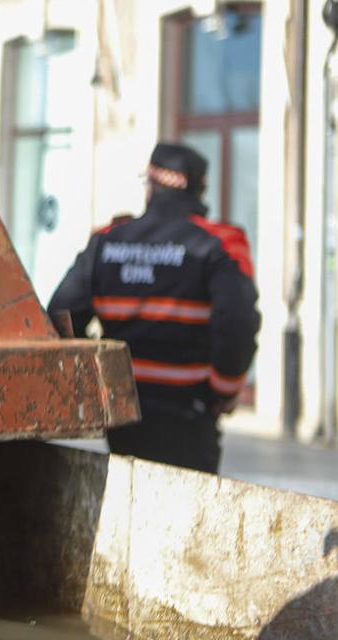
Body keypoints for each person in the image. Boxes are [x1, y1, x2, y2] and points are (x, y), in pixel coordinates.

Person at [49, 142, 260, 474]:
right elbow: (237, 322)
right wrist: (226, 388)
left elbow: (61, 313)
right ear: (200, 189)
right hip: (189, 413)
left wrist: (87, 385)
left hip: (122, 414)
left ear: (150, 185)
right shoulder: (221, 243)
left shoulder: (107, 241)